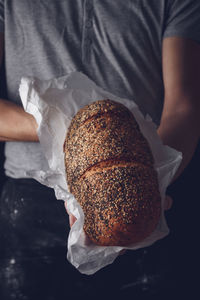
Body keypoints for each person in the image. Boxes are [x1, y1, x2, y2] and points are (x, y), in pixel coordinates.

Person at [0, 1, 200, 299]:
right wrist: (67, 129)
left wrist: (154, 179)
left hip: (144, 195)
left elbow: (184, 105)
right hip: (31, 200)